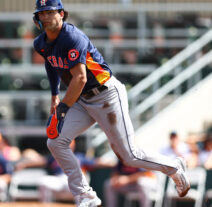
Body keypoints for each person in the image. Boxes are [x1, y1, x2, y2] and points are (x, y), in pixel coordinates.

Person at [32, 0, 190, 206]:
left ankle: (174, 167)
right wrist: (54, 93)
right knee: (55, 142)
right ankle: (85, 196)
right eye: (42, 13)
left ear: (61, 13)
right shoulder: (40, 43)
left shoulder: (72, 37)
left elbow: (79, 78)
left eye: (50, 12)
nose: (45, 17)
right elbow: (52, 64)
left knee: (129, 155)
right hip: (81, 98)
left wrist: (62, 108)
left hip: (105, 95)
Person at [15, 140, 114, 203]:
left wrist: (114, 163)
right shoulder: (55, 157)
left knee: (79, 179)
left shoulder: (79, 156)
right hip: (59, 181)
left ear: (73, 145)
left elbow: (96, 162)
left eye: (69, 144)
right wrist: (24, 164)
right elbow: (41, 161)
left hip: (74, 183)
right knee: (43, 181)